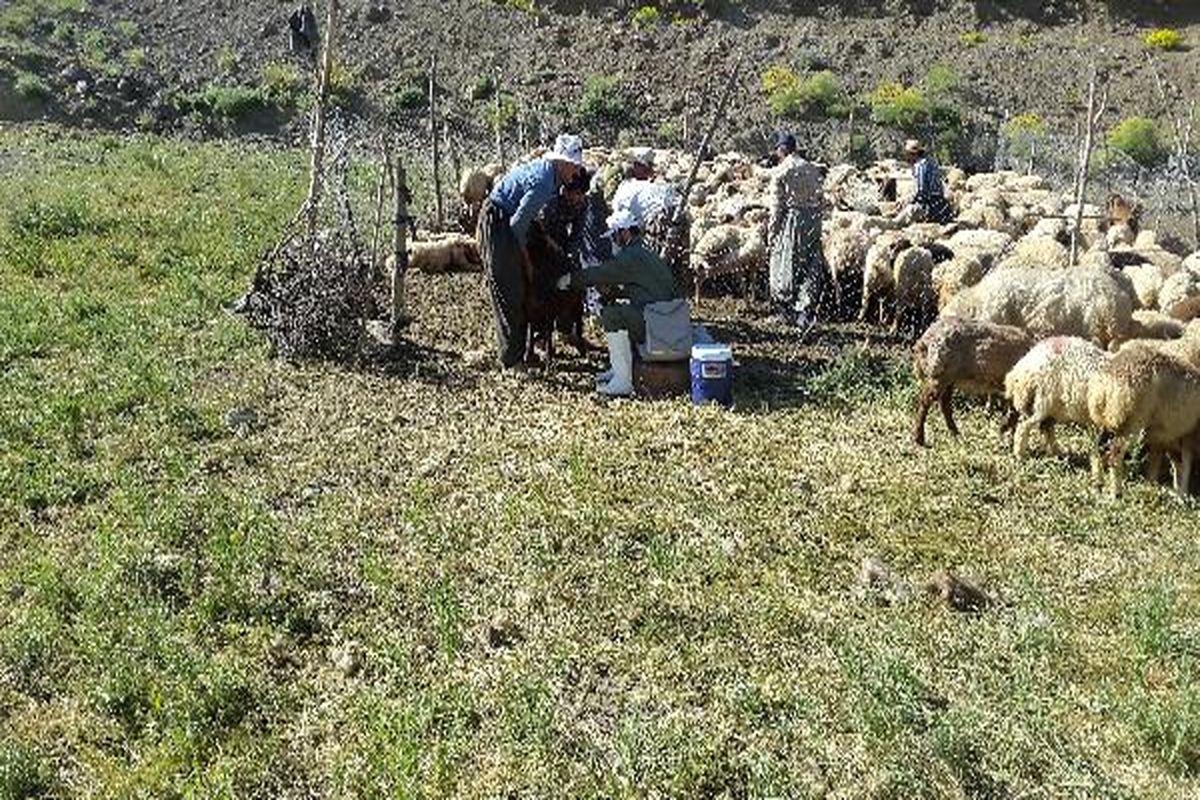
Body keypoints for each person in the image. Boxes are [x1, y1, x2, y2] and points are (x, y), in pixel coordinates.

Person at [477, 134, 586, 368]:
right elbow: (517, 227)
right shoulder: (544, 184)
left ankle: (522, 352)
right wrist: (525, 261)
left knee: (522, 286)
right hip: (498, 222)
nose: (576, 172)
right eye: (574, 166)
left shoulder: (549, 176)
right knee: (510, 291)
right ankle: (512, 361)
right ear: (563, 163)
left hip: (507, 218)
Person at [556, 209, 682, 397]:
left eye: (615, 236)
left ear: (624, 232)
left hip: (658, 322)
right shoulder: (646, 253)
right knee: (621, 310)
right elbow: (645, 289)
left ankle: (623, 380)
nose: (613, 242)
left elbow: (601, 273)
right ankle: (618, 369)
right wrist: (617, 292)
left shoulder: (631, 256)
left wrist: (569, 280)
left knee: (612, 314)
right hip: (668, 318)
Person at [767, 132, 827, 328]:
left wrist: (772, 235)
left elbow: (776, 208)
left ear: (782, 149)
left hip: (793, 219)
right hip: (814, 219)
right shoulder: (812, 168)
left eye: (777, 150)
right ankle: (805, 313)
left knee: (785, 263)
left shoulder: (781, 171)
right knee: (810, 263)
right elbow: (821, 199)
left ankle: (786, 312)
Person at [609, 152, 690, 294]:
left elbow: (618, 221)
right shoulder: (656, 186)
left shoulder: (625, 188)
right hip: (676, 222)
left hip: (657, 226)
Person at [897, 139, 954, 224]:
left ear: (912, 155)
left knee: (900, 220)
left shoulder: (920, 166)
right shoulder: (931, 162)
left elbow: (921, 192)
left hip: (931, 208)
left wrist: (906, 201)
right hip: (942, 206)